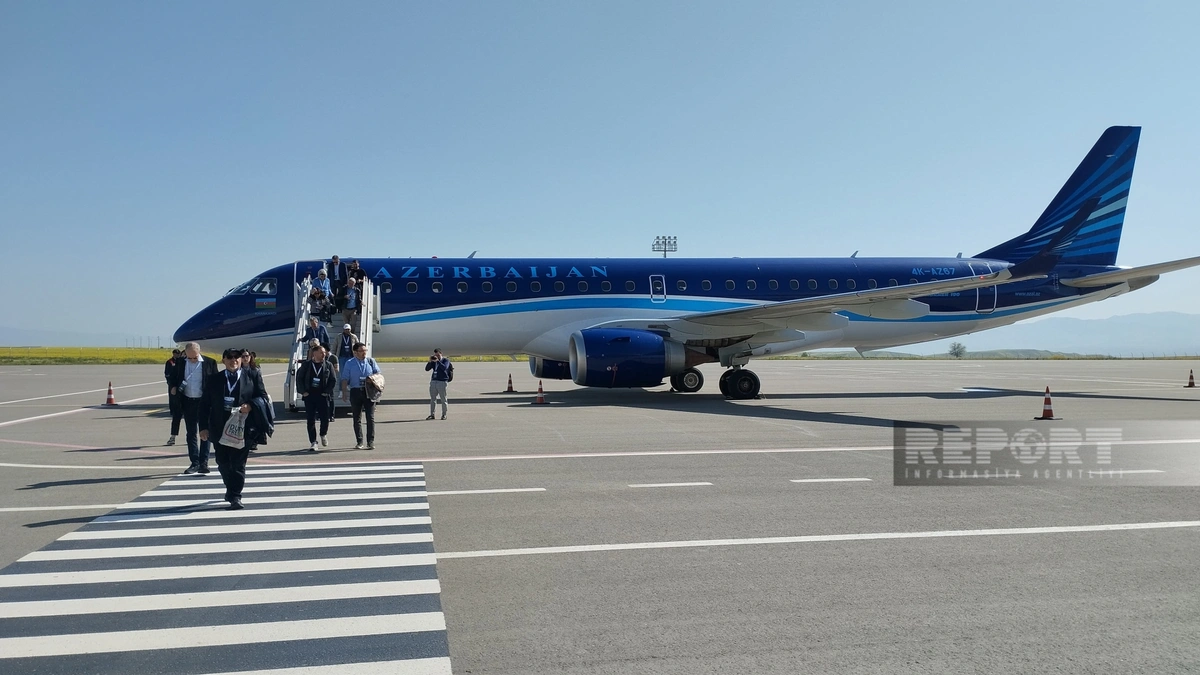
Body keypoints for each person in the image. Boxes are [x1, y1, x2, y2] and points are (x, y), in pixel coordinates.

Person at [199, 348, 268, 510]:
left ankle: (235, 496)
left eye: (237, 357)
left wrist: (250, 405)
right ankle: (230, 489)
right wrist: (203, 428)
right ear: (223, 360)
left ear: (241, 360)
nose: (233, 360)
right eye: (229, 357)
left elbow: (263, 397)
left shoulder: (252, 376)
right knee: (222, 462)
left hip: (243, 427)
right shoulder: (214, 379)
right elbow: (204, 405)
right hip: (219, 427)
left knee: (238, 464)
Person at [171, 342, 217, 474]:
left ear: (199, 352)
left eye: (195, 357)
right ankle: (194, 462)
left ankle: (204, 463)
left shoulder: (209, 363)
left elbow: (216, 381)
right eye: (189, 357)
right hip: (187, 401)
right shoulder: (180, 362)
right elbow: (173, 377)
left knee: (205, 432)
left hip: (204, 403)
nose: (192, 360)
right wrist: (173, 386)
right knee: (191, 433)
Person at [339, 342, 380, 450]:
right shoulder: (349, 363)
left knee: (370, 417)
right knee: (356, 418)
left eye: (365, 350)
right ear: (355, 352)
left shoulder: (371, 361)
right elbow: (344, 378)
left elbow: (378, 374)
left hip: (368, 391)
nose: (364, 353)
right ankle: (359, 441)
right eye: (361, 351)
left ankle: (370, 442)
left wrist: (372, 379)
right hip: (355, 391)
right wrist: (344, 392)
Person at [297, 344, 336, 451]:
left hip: (322, 396)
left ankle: (323, 433)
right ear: (314, 353)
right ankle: (313, 442)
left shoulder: (328, 365)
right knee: (310, 419)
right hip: (309, 396)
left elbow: (333, 380)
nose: (324, 354)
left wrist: (327, 392)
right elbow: (299, 378)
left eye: (324, 353)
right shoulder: (306, 365)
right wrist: (303, 392)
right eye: (321, 353)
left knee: (325, 418)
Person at [425, 348, 452, 420]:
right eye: (435, 355)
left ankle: (444, 414)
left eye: (438, 355)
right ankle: (432, 414)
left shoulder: (446, 360)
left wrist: (438, 361)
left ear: (441, 353)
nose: (436, 356)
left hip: (442, 381)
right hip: (434, 381)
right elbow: (427, 369)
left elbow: (444, 368)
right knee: (433, 399)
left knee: (443, 399)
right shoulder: (434, 362)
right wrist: (430, 361)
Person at [164, 348, 183, 445]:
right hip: (177, 393)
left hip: (191, 397)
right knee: (176, 416)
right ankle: (173, 436)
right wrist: (171, 385)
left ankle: (193, 437)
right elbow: (169, 375)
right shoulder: (173, 363)